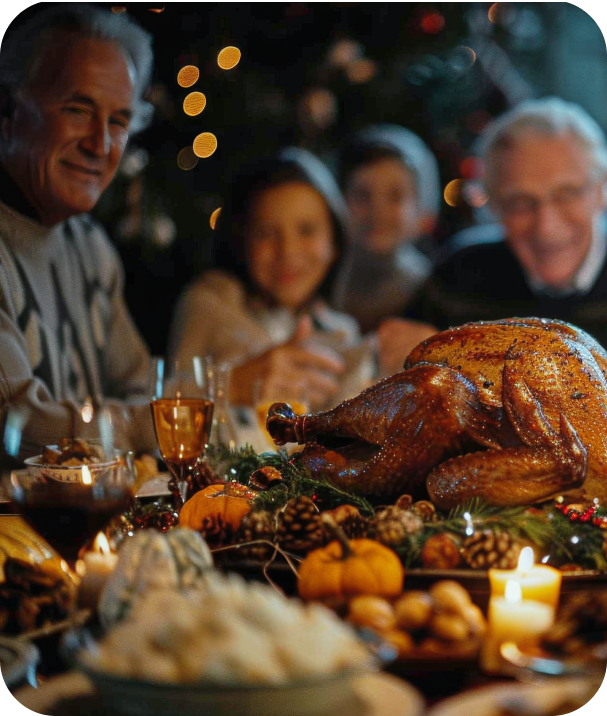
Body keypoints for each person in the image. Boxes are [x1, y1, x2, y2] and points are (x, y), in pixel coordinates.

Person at [0, 3, 158, 464]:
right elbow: (16, 420)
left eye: (119, 121)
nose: (100, 144)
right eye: (77, 109)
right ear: (6, 110)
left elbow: (141, 384)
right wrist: (146, 425)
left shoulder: (91, 246)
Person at [167, 147, 377, 437]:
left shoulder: (341, 333)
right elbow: (162, 409)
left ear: (335, 241)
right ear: (242, 241)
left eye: (306, 230)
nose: (287, 252)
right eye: (265, 233)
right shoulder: (208, 305)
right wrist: (234, 384)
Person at [404, 97, 607, 349]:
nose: (546, 227)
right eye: (520, 202)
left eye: (566, 194)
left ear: (601, 191)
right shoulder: (457, 278)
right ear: (495, 206)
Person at [331, 124, 441, 335]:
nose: (377, 213)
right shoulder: (321, 286)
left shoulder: (434, 293)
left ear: (421, 208)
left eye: (395, 196)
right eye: (362, 195)